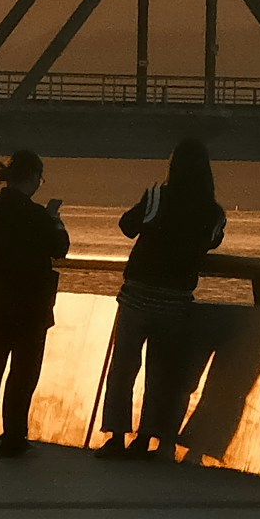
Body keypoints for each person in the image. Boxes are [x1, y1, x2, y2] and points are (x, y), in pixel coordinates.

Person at [100, 138, 226, 459]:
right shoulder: (213, 212)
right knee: (160, 372)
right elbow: (212, 243)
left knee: (124, 367)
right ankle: (145, 439)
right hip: (175, 301)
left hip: (138, 293)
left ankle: (115, 436)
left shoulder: (157, 196)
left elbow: (128, 226)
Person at [0, 150, 70, 457]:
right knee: (23, 374)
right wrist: (55, 221)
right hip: (31, 306)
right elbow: (60, 247)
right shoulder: (36, 215)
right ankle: (13, 438)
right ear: (34, 177)